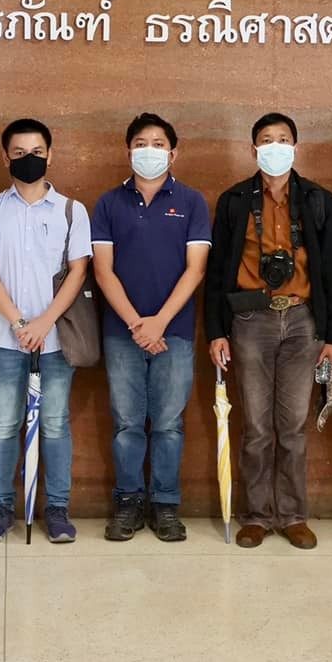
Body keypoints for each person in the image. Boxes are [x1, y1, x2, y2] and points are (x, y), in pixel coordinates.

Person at [205, 112, 332, 550]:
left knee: (293, 426)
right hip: (251, 321)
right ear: (253, 149)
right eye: (266, 140)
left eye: (283, 139)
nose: (275, 147)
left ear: (295, 147)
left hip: (304, 321)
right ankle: (256, 515)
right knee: (257, 427)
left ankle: (292, 515)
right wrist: (216, 331)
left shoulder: (319, 199)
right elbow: (217, 272)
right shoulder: (234, 200)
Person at [0, 118, 92, 545]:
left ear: (50, 155)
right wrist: (21, 324)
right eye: (19, 153)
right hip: (7, 341)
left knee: (55, 424)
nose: (29, 159)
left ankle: (57, 509)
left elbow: (78, 271)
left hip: (57, 342)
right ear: (5, 157)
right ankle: (0, 509)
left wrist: (44, 323)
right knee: (5, 424)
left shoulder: (72, 211)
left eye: (37, 152)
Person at [92, 113, 211, 544]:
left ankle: (165, 505)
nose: (149, 151)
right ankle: (127, 501)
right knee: (126, 423)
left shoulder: (192, 202)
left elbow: (196, 269)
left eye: (158, 144)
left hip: (174, 331)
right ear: (128, 151)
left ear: (173, 153)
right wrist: (136, 324)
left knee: (168, 424)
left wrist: (158, 322)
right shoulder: (108, 204)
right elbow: (103, 271)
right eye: (141, 143)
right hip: (121, 332)